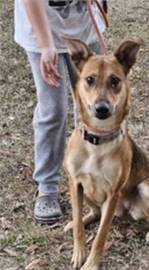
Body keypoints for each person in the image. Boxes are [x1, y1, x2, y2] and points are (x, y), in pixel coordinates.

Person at [14, 0, 106, 224]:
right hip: (41, 31)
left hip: (84, 27)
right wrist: (46, 46)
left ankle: (95, 178)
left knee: (93, 107)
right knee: (53, 110)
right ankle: (47, 187)